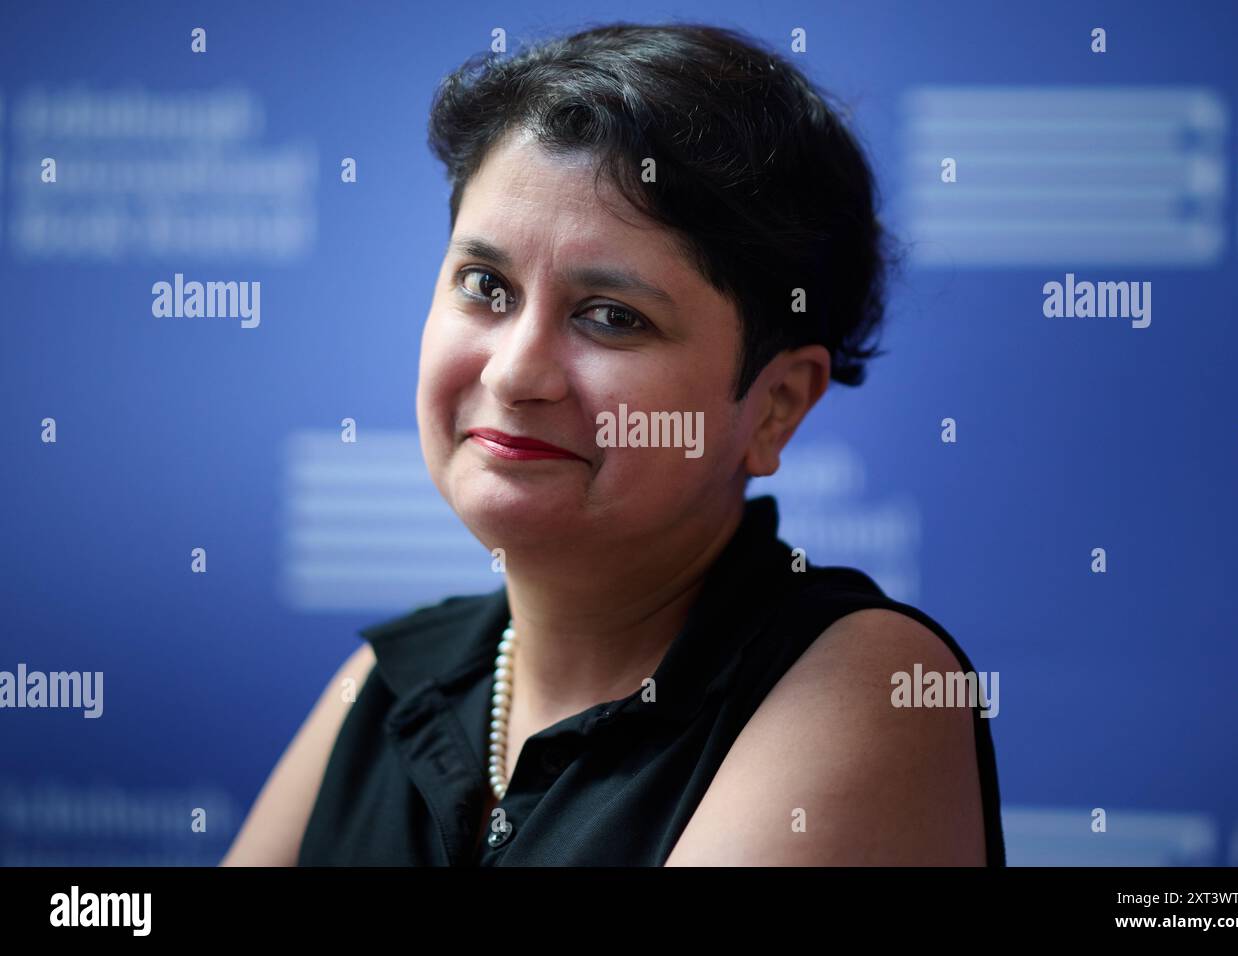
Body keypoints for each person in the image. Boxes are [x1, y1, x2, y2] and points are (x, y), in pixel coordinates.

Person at [221, 21, 1005, 867]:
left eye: (612, 316)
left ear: (775, 405)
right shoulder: (387, 684)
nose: (518, 373)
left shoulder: (870, 682)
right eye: (486, 286)